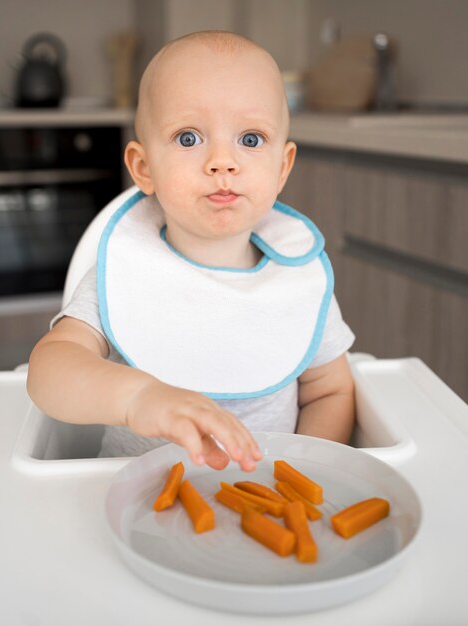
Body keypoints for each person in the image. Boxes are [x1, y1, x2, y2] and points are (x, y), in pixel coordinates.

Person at [27, 30, 355, 472]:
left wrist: (298, 474)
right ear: (144, 169)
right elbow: (49, 371)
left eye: (251, 139)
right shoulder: (128, 269)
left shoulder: (298, 278)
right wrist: (136, 396)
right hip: (133, 506)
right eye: (188, 138)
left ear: (282, 168)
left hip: (262, 513)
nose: (223, 161)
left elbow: (330, 391)